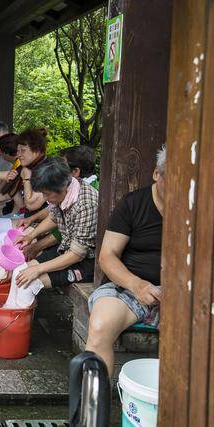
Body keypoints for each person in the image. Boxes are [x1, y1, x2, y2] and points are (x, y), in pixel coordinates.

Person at [85, 147, 165, 375]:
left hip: (183, 293)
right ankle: (94, 407)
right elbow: (107, 256)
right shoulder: (132, 204)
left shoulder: (200, 208)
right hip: (129, 288)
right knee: (100, 327)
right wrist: (136, 285)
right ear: (157, 174)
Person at [0, 157, 99, 288]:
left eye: (47, 194)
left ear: (62, 188)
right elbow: (53, 217)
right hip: (65, 248)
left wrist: (38, 269)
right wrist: (30, 236)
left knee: (26, 283)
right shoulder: (65, 188)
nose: (45, 199)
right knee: (18, 271)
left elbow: (76, 255)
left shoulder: (86, 205)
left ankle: (0, 296)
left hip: (86, 262)